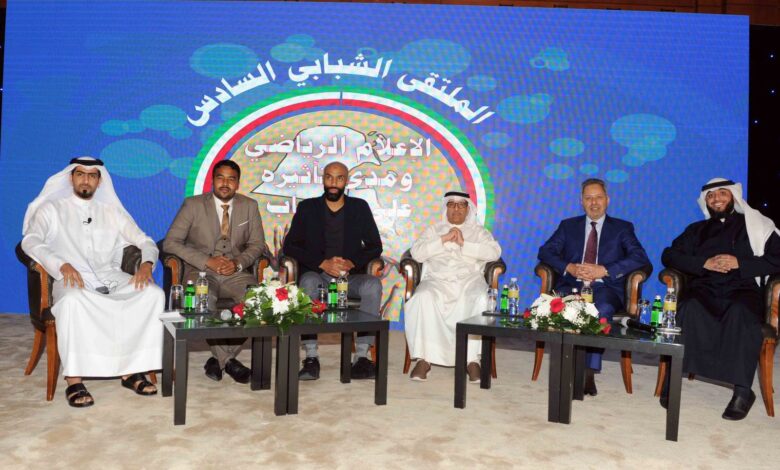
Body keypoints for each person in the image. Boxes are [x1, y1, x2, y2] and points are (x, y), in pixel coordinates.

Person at [21, 157, 163, 408]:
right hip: (71, 278)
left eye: (92, 175)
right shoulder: (51, 209)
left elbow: (146, 241)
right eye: (80, 174)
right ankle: (74, 380)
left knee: (153, 294)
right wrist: (61, 264)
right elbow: (30, 240)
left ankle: (131, 371)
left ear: (100, 181)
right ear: (71, 177)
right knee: (72, 301)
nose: (86, 180)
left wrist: (146, 264)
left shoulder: (111, 211)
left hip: (110, 275)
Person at [661, 178, 780, 420]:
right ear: (705, 202)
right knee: (689, 307)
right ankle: (672, 380)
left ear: (733, 196)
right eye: (711, 196)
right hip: (705, 288)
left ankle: (743, 391)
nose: (716, 199)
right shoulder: (696, 230)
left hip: (743, 289)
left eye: (722, 193)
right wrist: (703, 263)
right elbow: (669, 255)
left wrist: (741, 263)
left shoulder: (756, 226)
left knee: (740, 313)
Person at [538, 178, 650, 396]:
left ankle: (588, 371)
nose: (594, 203)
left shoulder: (622, 228)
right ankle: (567, 364)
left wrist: (605, 270)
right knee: (556, 305)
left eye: (598, 197)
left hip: (605, 287)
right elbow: (545, 252)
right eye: (588, 198)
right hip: (572, 285)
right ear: (581, 201)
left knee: (603, 309)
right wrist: (569, 267)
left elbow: (640, 257)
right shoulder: (568, 226)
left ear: (607, 200)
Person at [163, 160, 266, 384]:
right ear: (213, 180)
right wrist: (207, 261)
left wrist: (238, 263)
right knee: (204, 303)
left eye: (231, 179)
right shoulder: (193, 205)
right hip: (201, 272)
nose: (225, 183)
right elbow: (171, 242)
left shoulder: (249, 205)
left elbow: (258, 244)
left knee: (258, 303)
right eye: (220, 178)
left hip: (236, 273)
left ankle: (218, 359)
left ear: (238, 183)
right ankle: (229, 361)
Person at [283, 161, 383, 380]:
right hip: (317, 275)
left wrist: (351, 262)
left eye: (339, 178)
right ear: (323, 179)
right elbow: (289, 246)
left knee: (373, 285)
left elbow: (375, 246)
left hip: (350, 277)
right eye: (329, 177)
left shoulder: (359, 207)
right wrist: (322, 263)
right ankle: (311, 358)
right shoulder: (308, 208)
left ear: (346, 181)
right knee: (308, 282)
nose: (333, 183)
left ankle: (362, 357)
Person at [404, 191, 502, 382]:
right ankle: (424, 359)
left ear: (468, 209)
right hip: (437, 280)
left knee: (481, 299)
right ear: (445, 208)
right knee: (423, 297)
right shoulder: (434, 230)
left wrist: (464, 243)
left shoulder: (479, 232)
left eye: (461, 204)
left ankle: (472, 360)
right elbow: (417, 253)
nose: (456, 209)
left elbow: (494, 252)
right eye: (451, 204)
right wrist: (443, 239)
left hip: (469, 281)